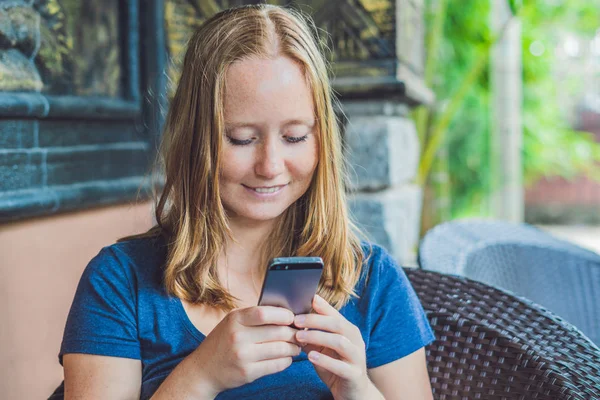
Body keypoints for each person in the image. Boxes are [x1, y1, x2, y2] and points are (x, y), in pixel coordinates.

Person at [52, 4, 435, 399]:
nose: (270, 166)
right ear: (195, 139)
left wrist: (357, 389)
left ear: (323, 141)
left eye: (295, 136)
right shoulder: (119, 282)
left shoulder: (373, 281)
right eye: (241, 138)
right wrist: (202, 373)